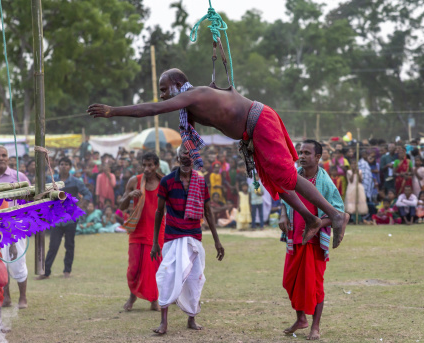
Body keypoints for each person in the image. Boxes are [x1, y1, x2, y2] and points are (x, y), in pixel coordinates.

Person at [88, 68, 350, 248]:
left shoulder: (194, 94)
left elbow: (153, 109)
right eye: (162, 91)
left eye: (165, 89)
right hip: (251, 131)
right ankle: (312, 219)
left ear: (179, 86)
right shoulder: (193, 101)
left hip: (259, 121)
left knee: (287, 177)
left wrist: (113, 111)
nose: (163, 96)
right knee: (275, 182)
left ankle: (334, 215)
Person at [150, 145, 224, 335]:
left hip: (194, 236)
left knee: (194, 279)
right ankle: (163, 322)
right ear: (177, 158)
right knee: (167, 276)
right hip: (172, 237)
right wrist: (155, 242)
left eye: (190, 155)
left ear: (194, 159)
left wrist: (217, 241)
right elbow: (159, 211)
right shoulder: (166, 181)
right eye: (183, 154)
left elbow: (208, 211)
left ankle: (192, 317)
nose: (186, 157)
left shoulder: (200, 181)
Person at [279, 140, 344, 340]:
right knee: (290, 281)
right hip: (294, 237)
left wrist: (318, 225)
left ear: (318, 157)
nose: (302, 156)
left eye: (307, 153)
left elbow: (337, 212)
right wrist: (282, 215)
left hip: (313, 242)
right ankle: (300, 319)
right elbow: (284, 197)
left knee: (315, 285)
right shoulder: (293, 176)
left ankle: (315, 327)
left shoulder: (325, 181)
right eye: (300, 152)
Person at [120, 152, 165, 312]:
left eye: (150, 165)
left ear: (156, 166)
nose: (147, 168)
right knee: (134, 268)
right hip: (137, 230)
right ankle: (132, 296)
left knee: (154, 267)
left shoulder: (164, 181)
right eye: (144, 165)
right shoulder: (135, 181)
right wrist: (130, 196)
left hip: (157, 231)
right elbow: (121, 206)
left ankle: (154, 299)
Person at [36, 157, 92, 280]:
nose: (64, 166)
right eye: (61, 164)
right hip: (56, 219)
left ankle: (67, 271)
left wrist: (82, 205)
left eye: (66, 164)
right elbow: (45, 196)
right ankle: (46, 272)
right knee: (53, 246)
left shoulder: (76, 182)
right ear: (58, 166)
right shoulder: (53, 181)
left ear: (70, 167)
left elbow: (88, 194)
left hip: (71, 218)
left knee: (69, 245)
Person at [0, 146, 30, 309]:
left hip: (15, 227)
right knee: (0, 264)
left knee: (18, 262)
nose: (0, 158)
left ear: (8, 158)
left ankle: (23, 297)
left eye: (3, 155)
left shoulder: (19, 177)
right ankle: (6, 297)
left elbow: (29, 201)